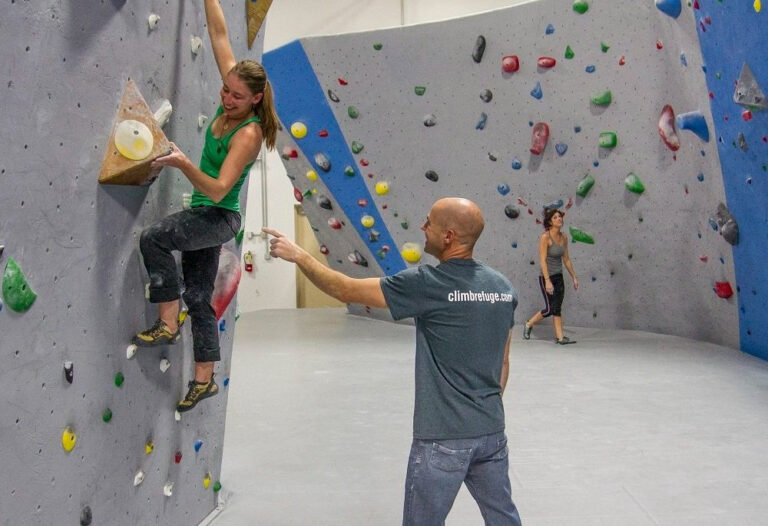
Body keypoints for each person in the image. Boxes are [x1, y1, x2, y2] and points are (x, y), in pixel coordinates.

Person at [264, 198, 522, 526]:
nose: (423, 228)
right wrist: (481, 411)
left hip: (442, 439)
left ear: (449, 236)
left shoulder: (428, 283)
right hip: (491, 432)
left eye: (429, 223)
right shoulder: (502, 288)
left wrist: (300, 256)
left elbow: (345, 289)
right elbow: (503, 362)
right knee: (503, 518)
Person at [132, 0, 277, 412]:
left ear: (255, 99)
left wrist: (182, 163)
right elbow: (218, 35)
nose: (226, 98)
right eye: (225, 90)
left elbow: (217, 191)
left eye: (235, 96)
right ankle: (204, 381)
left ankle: (165, 323)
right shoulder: (234, 89)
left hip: (218, 216)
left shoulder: (247, 134)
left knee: (154, 238)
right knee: (199, 298)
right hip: (205, 214)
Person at [522, 208, 579, 344]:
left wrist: (574, 277)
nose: (559, 219)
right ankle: (529, 324)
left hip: (559, 277)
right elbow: (542, 261)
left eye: (560, 216)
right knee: (549, 308)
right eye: (555, 217)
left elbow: (566, 259)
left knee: (557, 307)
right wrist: (547, 281)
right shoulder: (545, 237)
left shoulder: (564, 237)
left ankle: (560, 338)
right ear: (550, 222)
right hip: (547, 277)